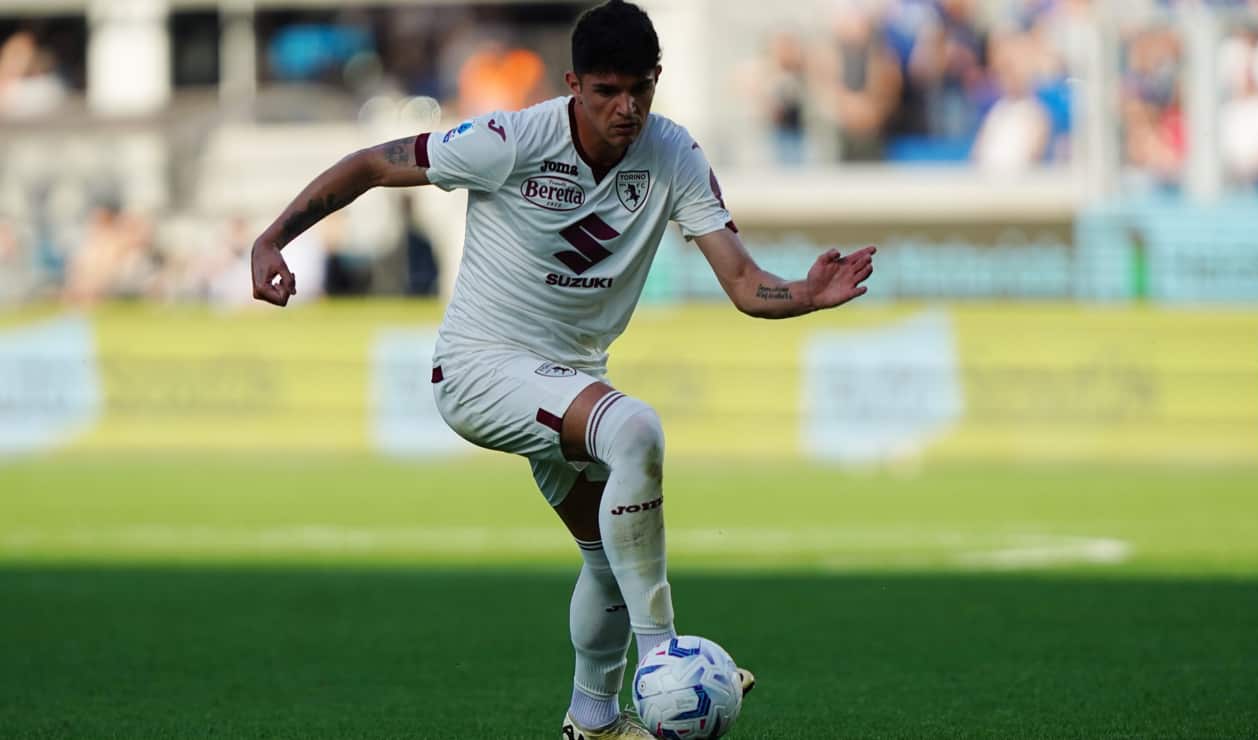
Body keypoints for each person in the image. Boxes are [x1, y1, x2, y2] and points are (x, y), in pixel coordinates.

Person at [248, 2, 875, 738]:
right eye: (607, 91)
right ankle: (663, 658)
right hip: (481, 368)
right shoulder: (512, 138)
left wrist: (803, 293)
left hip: (565, 377)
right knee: (634, 428)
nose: (626, 108)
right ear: (573, 84)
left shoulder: (673, 154)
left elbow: (742, 283)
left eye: (640, 89)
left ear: (657, 81)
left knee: (610, 559)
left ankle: (594, 722)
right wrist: (271, 239)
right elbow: (371, 163)